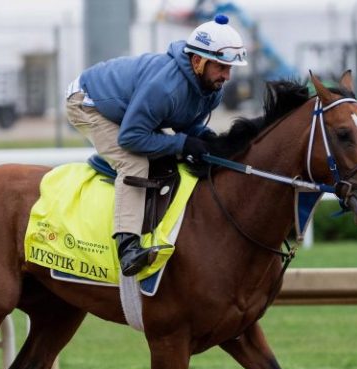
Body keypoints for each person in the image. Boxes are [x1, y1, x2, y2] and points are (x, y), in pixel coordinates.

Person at [66, 14, 247, 276]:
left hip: (127, 110)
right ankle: (127, 246)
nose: (227, 76)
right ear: (198, 62)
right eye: (221, 67)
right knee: (134, 160)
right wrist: (183, 143)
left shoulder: (212, 89)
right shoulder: (165, 88)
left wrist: (206, 140)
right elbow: (130, 138)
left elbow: (188, 126)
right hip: (87, 102)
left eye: (230, 68)